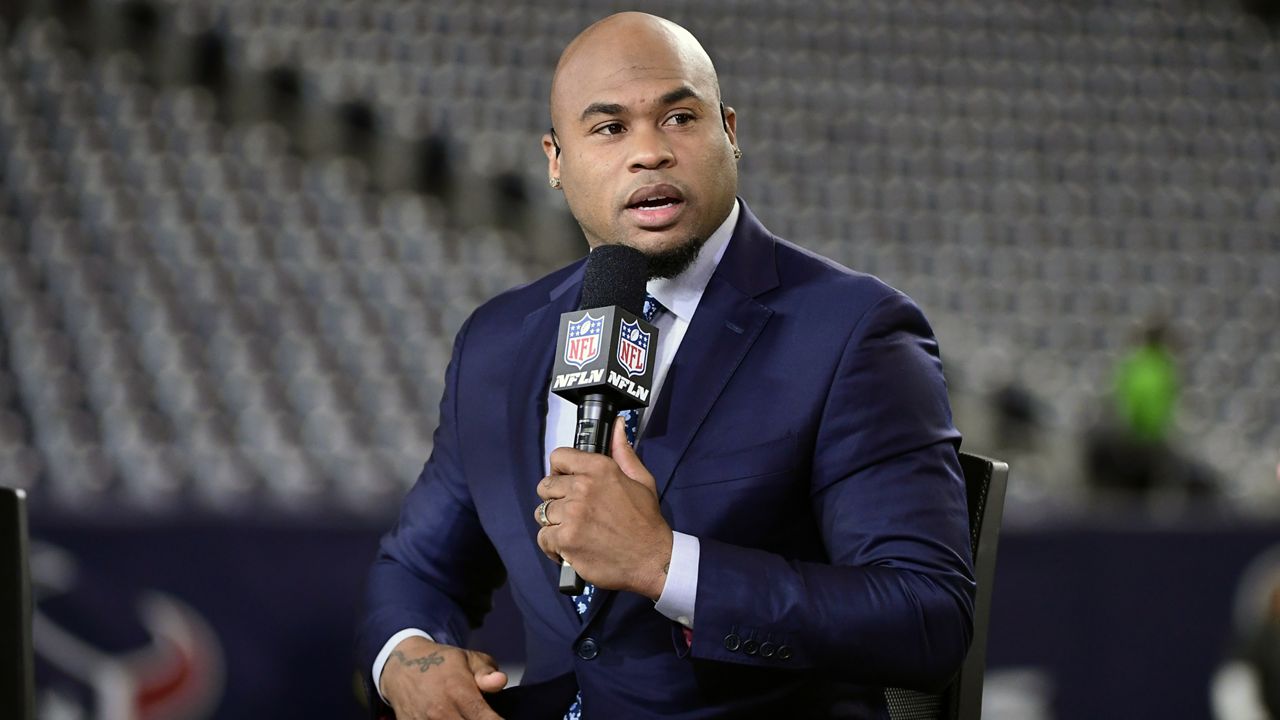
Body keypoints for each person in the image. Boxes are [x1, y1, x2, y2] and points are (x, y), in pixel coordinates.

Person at [357, 12, 974, 719]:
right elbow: (417, 569)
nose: (649, 152)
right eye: (610, 128)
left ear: (730, 133)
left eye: (680, 118)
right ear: (556, 162)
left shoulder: (852, 331)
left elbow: (925, 616)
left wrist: (665, 564)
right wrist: (406, 656)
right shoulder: (498, 340)